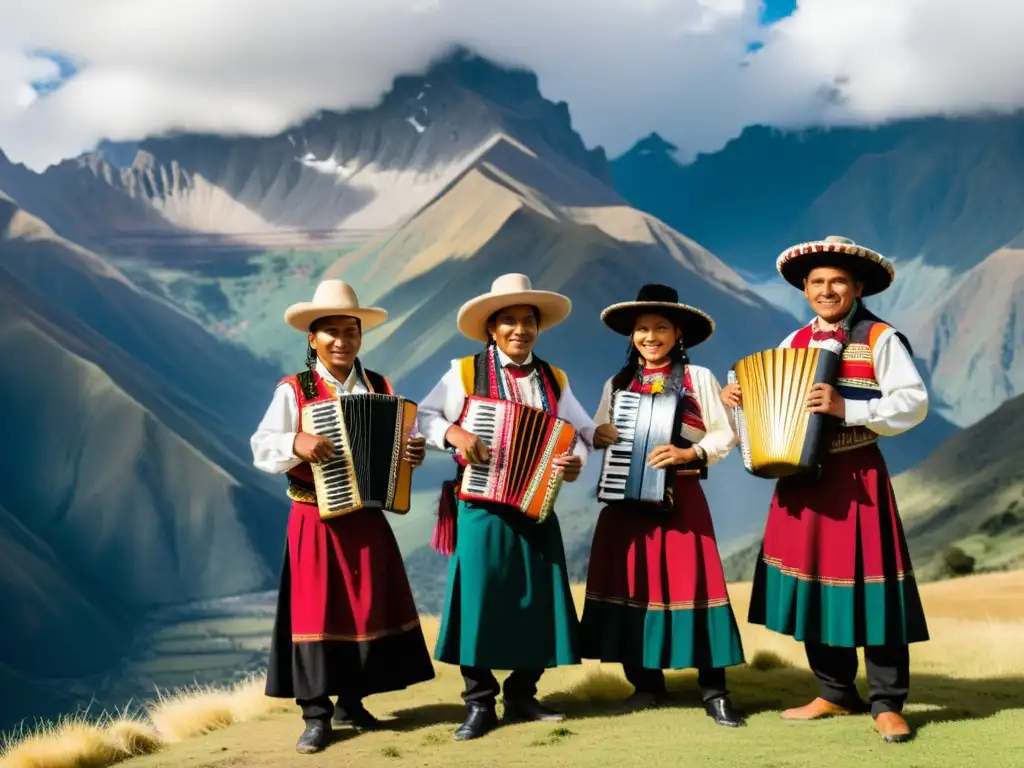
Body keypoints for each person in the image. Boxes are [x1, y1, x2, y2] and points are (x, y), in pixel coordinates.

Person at [721, 236, 929, 744]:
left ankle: (887, 702)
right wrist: (737, 401)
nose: (826, 289)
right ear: (805, 290)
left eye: (837, 280)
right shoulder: (794, 343)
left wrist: (848, 408)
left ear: (858, 286)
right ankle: (835, 691)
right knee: (813, 585)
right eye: (817, 282)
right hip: (800, 481)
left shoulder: (880, 338)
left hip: (857, 477)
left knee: (873, 589)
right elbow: (774, 409)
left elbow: (913, 402)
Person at [251, 279, 436, 754]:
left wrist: (409, 452)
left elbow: (397, 447)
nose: (341, 340)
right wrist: (298, 442)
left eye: (349, 331)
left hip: (368, 515)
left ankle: (351, 702)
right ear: (312, 338)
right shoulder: (295, 390)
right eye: (330, 331)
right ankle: (315, 714)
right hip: (315, 515)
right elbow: (261, 445)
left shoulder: (379, 385)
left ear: (360, 336)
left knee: (365, 605)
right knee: (315, 610)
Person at [417, 273, 596, 742]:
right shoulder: (463, 372)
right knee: (478, 598)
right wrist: (453, 433)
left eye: (528, 321)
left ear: (539, 328)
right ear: (491, 329)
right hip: (480, 503)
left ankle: (522, 692)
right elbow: (424, 416)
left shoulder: (554, 378)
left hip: (537, 502)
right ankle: (479, 702)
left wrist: (574, 462)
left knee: (538, 600)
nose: (520, 329)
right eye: (509, 321)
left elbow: (579, 431)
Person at [579, 284, 746, 727]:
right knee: (634, 586)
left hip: (681, 497)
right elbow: (597, 428)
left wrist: (689, 454)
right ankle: (646, 685)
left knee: (696, 583)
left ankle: (715, 691)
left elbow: (723, 433)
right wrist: (600, 435)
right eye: (641, 329)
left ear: (677, 335)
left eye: (659, 328)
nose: (649, 337)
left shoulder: (698, 379)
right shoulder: (617, 383)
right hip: (624, 502)